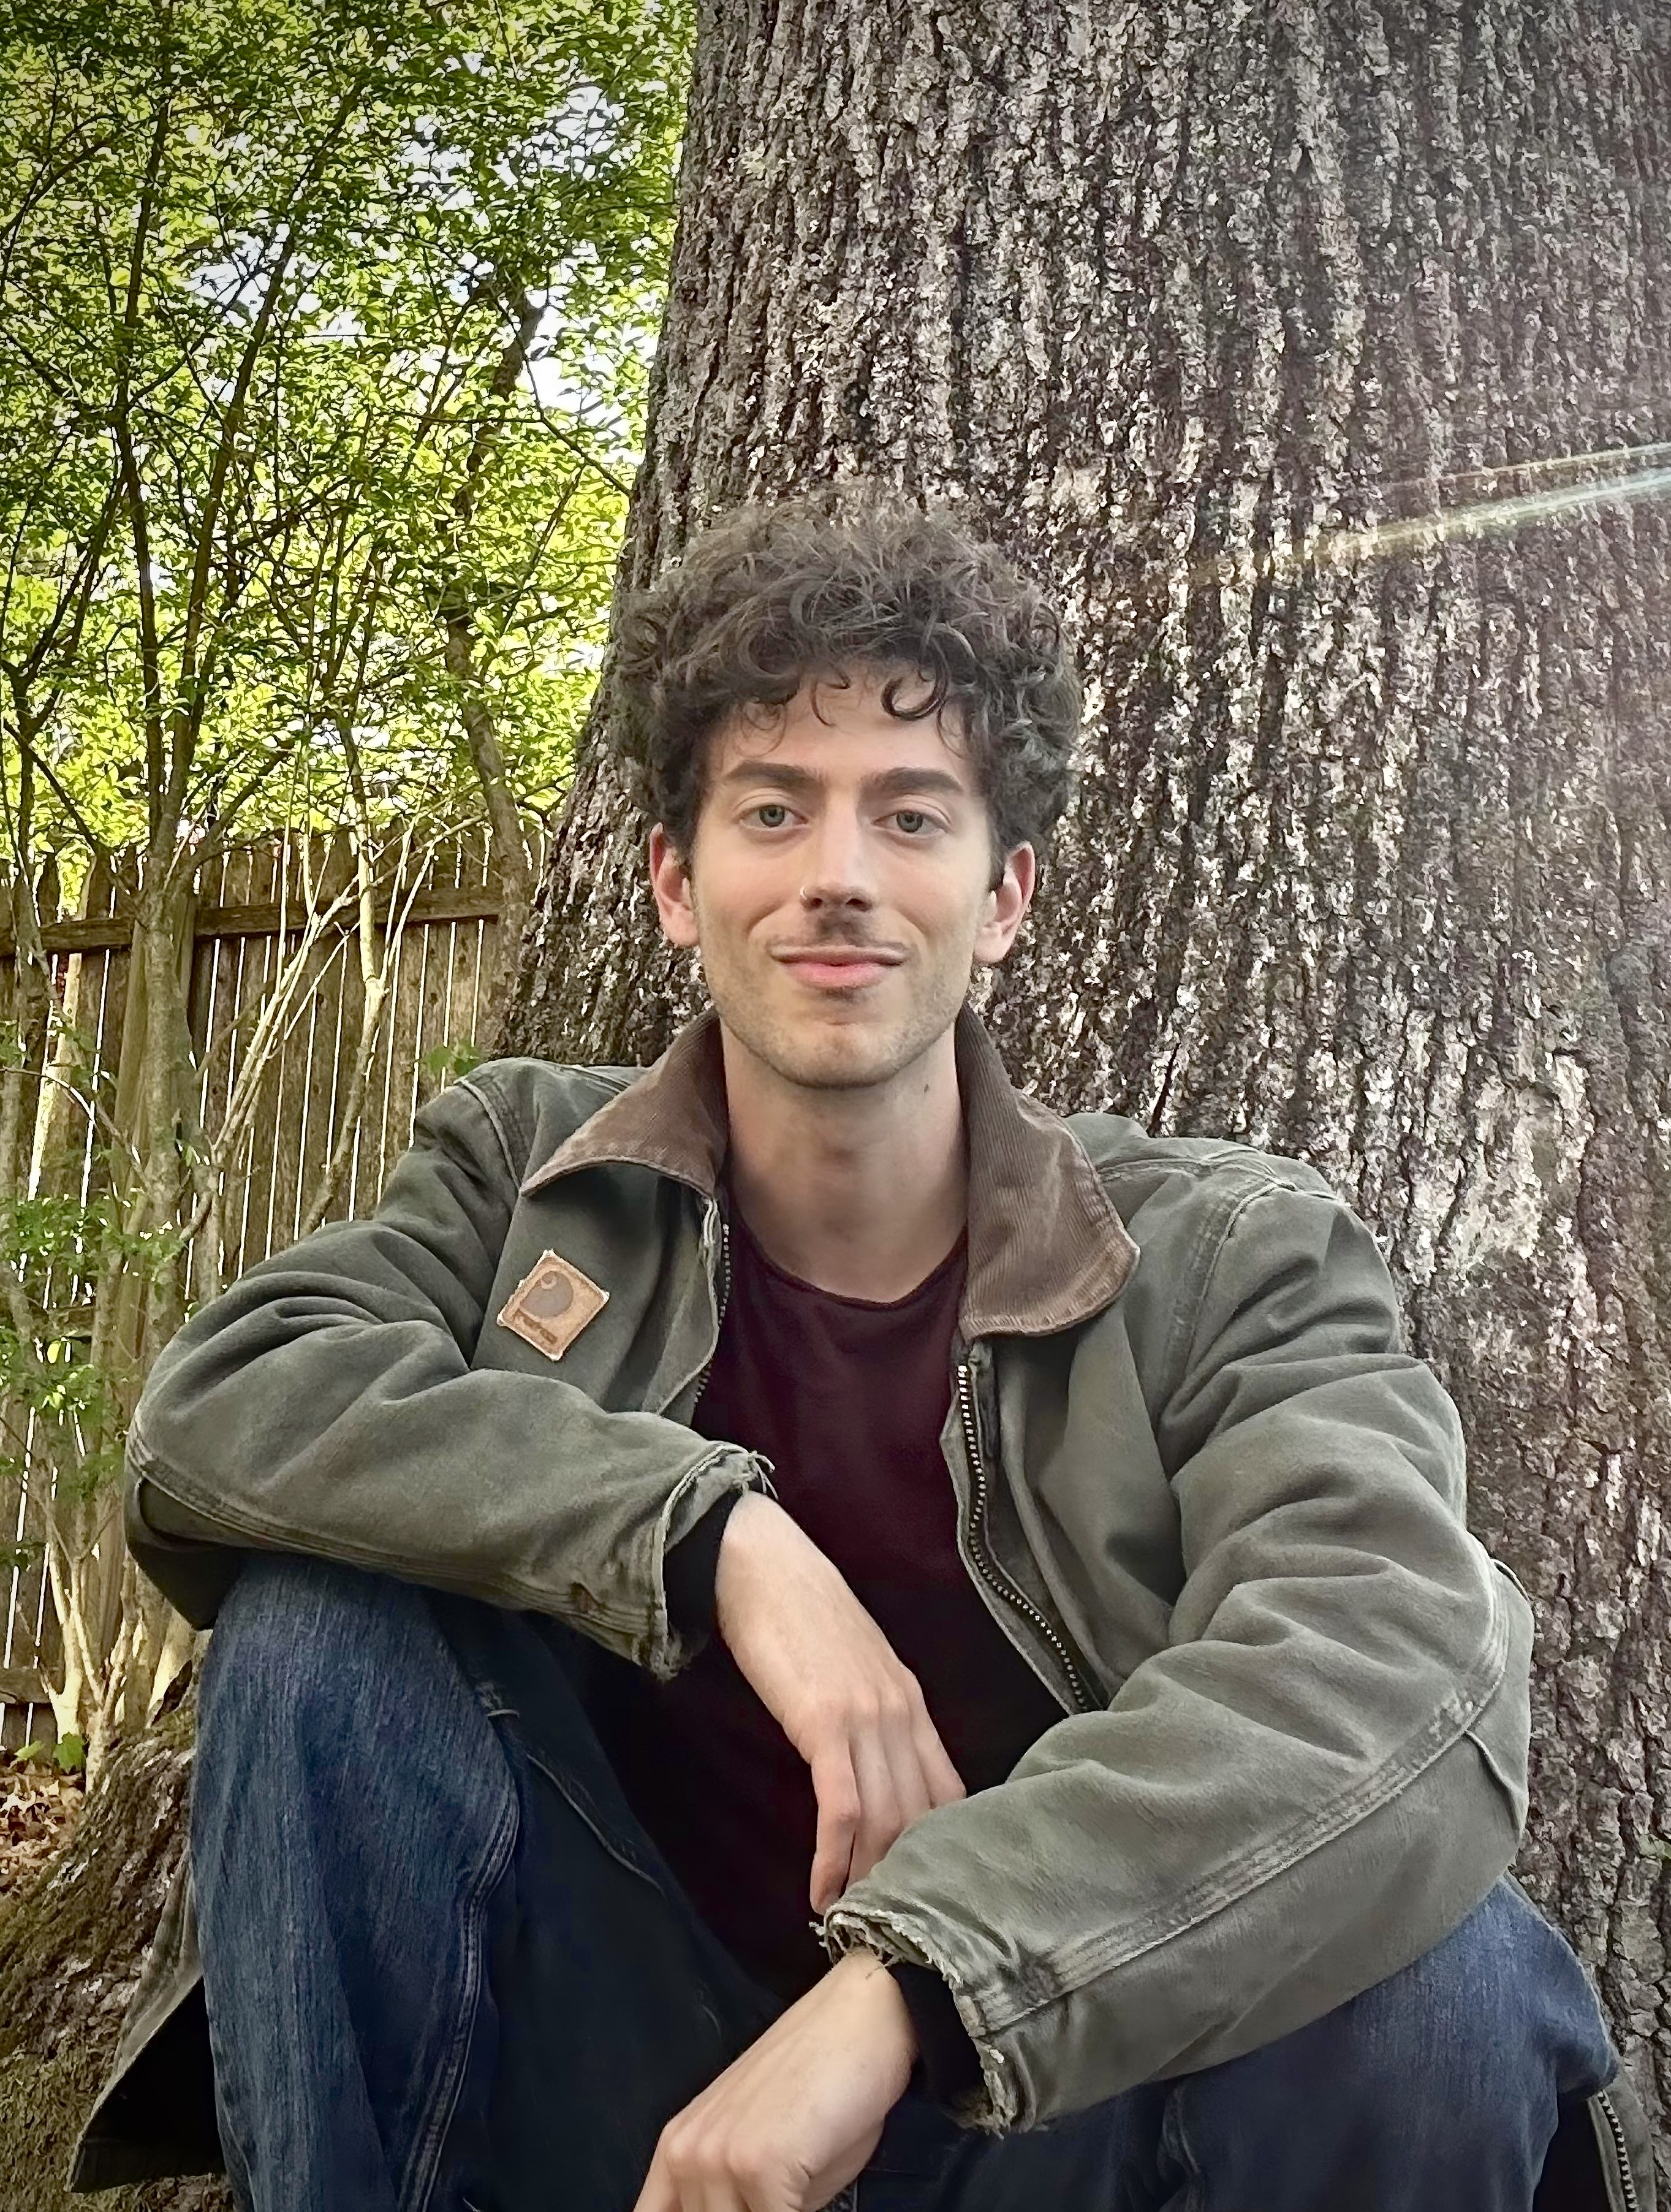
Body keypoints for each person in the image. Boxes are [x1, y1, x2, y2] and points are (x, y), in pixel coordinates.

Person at [71, 494, 1652, 2212]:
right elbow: (227, 1405)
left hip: (1046, 2091)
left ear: (1005, 895)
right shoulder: (526, 1181)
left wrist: (919, 1978)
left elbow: (1394, 1654)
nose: (839, 874)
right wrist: (714, 1538)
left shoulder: (1223, 1253)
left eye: (911, 815)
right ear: (678, 883)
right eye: (773, 809)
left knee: (1451, 1975)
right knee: (316, 1638)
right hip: (611, 2082)